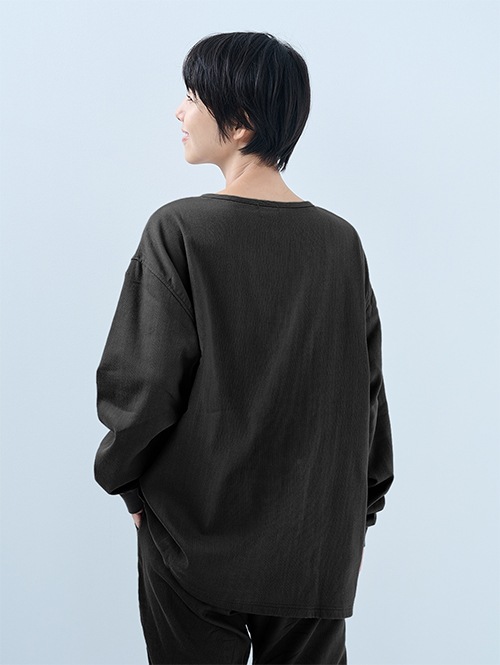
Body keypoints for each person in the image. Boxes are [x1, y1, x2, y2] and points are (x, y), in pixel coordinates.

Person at [94, 31, 394, 665]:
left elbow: (143, 385)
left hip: (192, 536)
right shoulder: (341, 244)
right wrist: (357, 514)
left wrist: (127, 482)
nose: (180, 111)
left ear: (242, 122)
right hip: (314, 543)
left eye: (194, 95)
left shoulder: (180, 229)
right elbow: (366, 393)